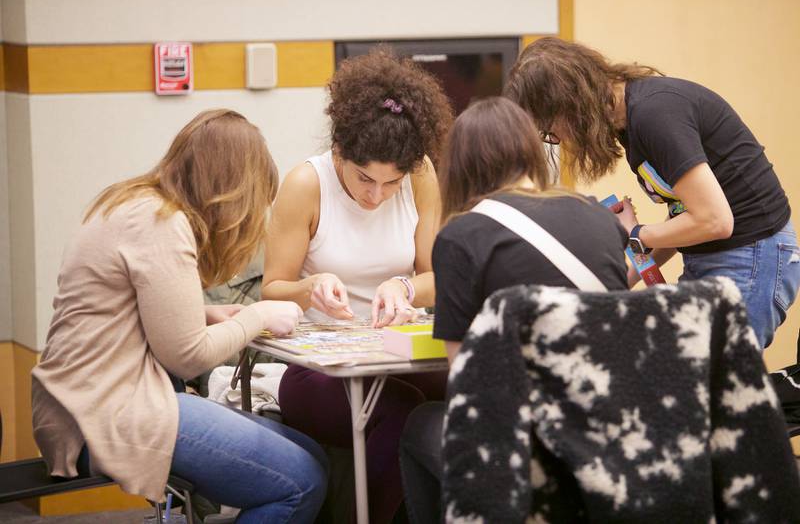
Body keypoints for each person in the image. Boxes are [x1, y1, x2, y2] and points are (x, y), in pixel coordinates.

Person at [31, 109, 327, 524]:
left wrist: (204, 313)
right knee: (302, 481)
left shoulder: (136, 202)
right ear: (231, 189)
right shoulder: (161, 223)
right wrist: (256, 315)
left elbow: (118, 312)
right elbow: (188, 357)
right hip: (103, 411)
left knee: (314, 454)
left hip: (85, 400)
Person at [399, 97, 629, 524]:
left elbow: (466, 376)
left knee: (418, 423)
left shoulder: (460, 237)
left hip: (528, 450)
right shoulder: (600, 218)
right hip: (615, 434)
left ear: (460, 166)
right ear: (530, 150)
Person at [504, 36, 800, 349]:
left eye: (551, 126)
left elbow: (715, 221)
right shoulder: (630, 121)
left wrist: (637, 233)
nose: (557, 138)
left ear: (570, 102)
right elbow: (686, 216)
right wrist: (620, 282)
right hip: (721, 259)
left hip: (751, 258)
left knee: (705, 385)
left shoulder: (655, 114)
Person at [260, 48, 453, 523]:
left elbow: (435, 277)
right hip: (318, 367)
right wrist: (312, 288)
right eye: (365, 179)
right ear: (341, 151)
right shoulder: (307, 183)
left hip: (396, 351)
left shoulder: (422, 174)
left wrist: (405, 290)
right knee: (398, 409)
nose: (376, 195)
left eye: (391, 184)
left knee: (467, 383)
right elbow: (271, 289)